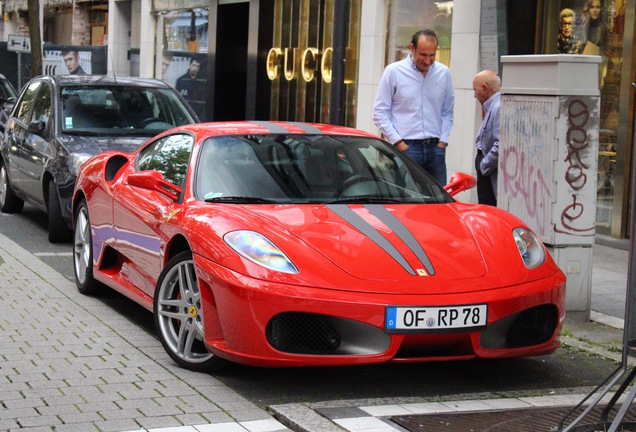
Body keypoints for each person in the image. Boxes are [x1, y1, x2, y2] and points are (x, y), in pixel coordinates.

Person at [373, 29, 454, 185]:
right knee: (406, 203)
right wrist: (399, 143)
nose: (428, 61)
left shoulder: (443, 73)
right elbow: (379, 113)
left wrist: (442, 142)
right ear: (412, 48)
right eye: (423, 55)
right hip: (407, 148)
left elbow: (447, 111)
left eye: (432, 55)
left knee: (439, 204)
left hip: (435, 149)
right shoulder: (394, 72)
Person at [472, 70, 501, 207]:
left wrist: (484, 166)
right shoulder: (494, 106)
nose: (474, 95)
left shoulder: (498, 107)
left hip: (489, 171)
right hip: (487, 168)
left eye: (475, 90)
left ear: (484, 88)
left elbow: (500, 145)